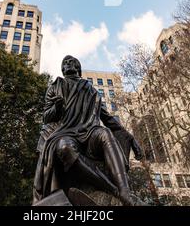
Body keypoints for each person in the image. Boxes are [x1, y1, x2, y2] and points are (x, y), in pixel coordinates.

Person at [33, 55, 145, 206]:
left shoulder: (90, 89)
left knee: (105, 133)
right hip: (65, 133)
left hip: (89, 131)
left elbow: (107, 118)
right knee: (64, 147)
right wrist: (57, 108)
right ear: (63, 69)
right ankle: (113, 189)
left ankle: (125, 191)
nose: (68, 63)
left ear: (78, 68)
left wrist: (130, 137)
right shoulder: (55, 87)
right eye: (65, 62)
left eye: (72, 62)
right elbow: (46, 117)